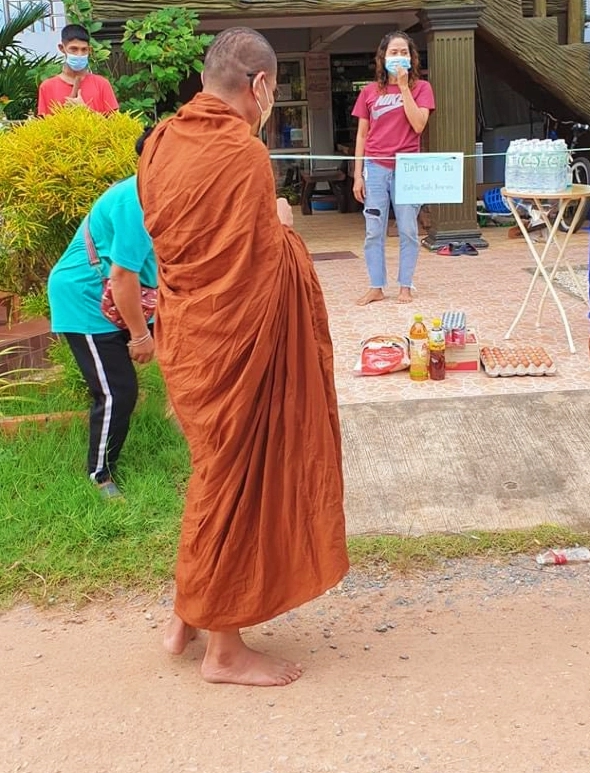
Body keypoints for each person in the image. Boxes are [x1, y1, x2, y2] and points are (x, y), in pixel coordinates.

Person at [138, 27, 349, 687]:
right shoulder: (242, 155)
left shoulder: (161, 142)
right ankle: (224, 651)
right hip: (234, 349)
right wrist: (284, 228)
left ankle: (187, 614)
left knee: (211, 477)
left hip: (190, 341)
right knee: (231, 488)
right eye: (273, 90)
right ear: (259, 87)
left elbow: (182, 248)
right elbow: (259, 269)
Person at [47, 172, 156, 499]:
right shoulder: (134, 201)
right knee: (117, 391)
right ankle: (99, 474)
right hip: (87, 299)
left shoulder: (171, 193)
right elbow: (122, 277)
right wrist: (139, 337)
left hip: (127, 296)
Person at [352, 31, 435, 305]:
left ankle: (405, 286)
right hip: (375, 167)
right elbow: (362, 135)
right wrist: (357, 175)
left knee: (408, 229)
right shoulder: (368, 92)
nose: (398, 57)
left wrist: (402, 87)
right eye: (393, 52)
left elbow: (419, 124)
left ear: (412, 57)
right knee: (373, 229)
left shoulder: (421, 88)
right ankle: (376, 285)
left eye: (404, 52)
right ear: (382, 57)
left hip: (408, 168)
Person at [37, 24, 119, 117]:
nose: (79, 54)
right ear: (62, 48)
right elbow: (44, 127)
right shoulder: (47, 87)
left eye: (84, 49)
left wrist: (85, 110)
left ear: (90, 50)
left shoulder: (102, 84)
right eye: (74, 49)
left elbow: (116, 125)